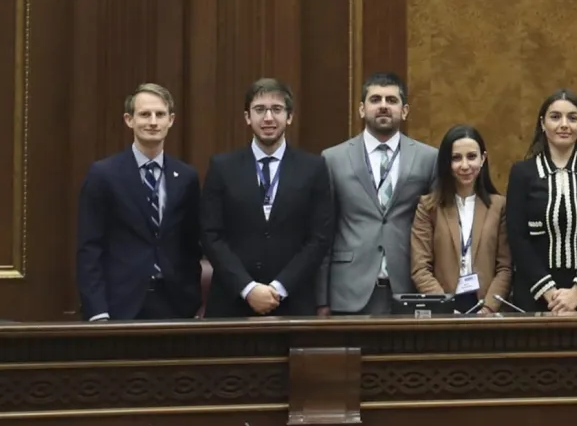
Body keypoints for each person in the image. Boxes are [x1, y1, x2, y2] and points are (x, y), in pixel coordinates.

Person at [201, 78, 333, 317]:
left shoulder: (313, 168)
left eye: (277, 109)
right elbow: (211, 236)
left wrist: (279, 288)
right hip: (232, 303)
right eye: (260, 110)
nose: (268, 118)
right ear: (247, 117)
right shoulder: (222, 167)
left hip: (293, 303)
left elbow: (319, 238)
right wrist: (248, 288)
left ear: (289, 117)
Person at [76, 84, 203, 320]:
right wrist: (97, 311)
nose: (153, 122)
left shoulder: (186, 176)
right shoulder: (103, 174)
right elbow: (89, 248)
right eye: (144, 114)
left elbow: (191, 244)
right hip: (120, 304)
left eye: (160, 115)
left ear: (171, 120)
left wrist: (192, 300)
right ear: (129, 120)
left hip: (174, 304)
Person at [317, 72, 437, 315]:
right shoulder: (333, 158)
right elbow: (322, 233)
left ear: (404, 111)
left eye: (391, 100)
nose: (383, 106)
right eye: (375, 99)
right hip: (348, 289)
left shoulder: (428, 158)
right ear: (362, 109)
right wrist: (321, 299)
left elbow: (437, 229)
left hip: (408, 286)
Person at [506, 89, 577, 314]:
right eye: (555, 117)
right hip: (535, 294)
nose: (564, 124)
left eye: (572, 118)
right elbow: (517, 237)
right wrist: (550, 293)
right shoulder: (522, 172)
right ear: (542, 124)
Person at [410, 125, 511, 313]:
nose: (465, 165)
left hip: (486, 311)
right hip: (444, 311)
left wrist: (488, 308)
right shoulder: (428, 207)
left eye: (471, 156)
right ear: (447, 163)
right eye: (456, 158)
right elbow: (420, 269)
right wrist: (445, 308)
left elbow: (505, 268)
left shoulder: (499, 206)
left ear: (483, 159)